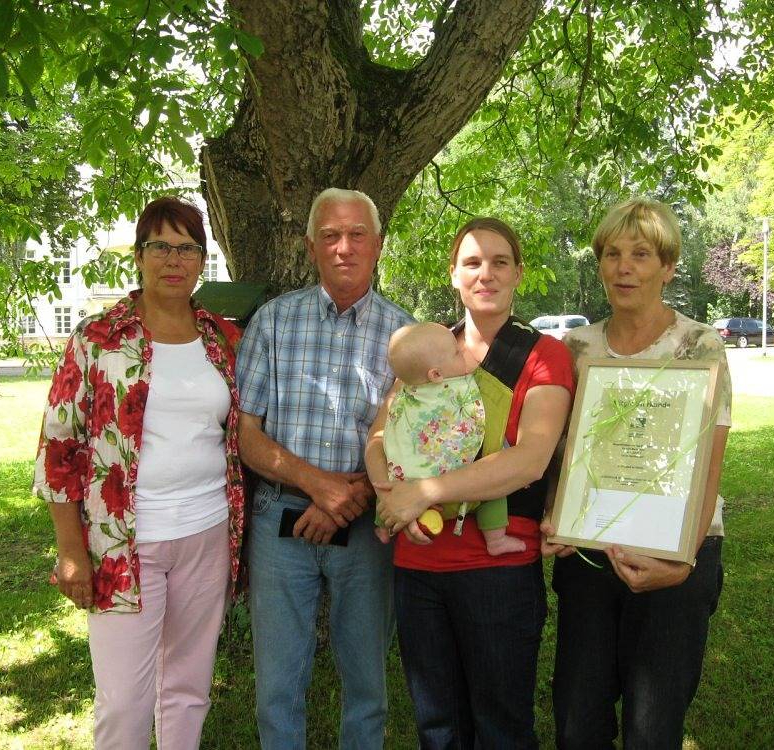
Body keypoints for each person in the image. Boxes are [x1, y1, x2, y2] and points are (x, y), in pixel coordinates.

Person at [33, 196, 245, 749]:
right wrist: (71, 550)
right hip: (122, 542)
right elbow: (59, 448)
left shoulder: (223, 340)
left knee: (188, 688)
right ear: (139, 255)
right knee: (124, 700)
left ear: (202, 260)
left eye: (187, 248)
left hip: (207, 533)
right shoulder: (97, 338)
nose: (174, 260)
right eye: (161, 247)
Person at [371, 217, 574, 748]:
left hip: (498, 573)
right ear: (454, 275)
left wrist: (429, 491)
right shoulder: (427, 349)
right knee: (438, 727)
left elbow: (530, 459)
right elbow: (380, 439)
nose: (486, 273)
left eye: (500, 261)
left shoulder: (542, 356)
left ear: (518, 274)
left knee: (500, 727)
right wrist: (392, 498)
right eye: (473, 262)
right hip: (418, 570)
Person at [541, 197, 732, 749]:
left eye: (641, 255)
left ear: (668, 267)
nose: (624, 267)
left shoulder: (700, 345)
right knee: (578, 717)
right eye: (613, 254)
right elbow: (560, 452)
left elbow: (709, 461)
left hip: (675, 553)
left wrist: (685, 560)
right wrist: (557, 511)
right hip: (589, 551)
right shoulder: (576, 347)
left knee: (653, 726)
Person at [236, 187, 414, 748]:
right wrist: (319, 488)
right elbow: (246, 437)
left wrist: (348, 500)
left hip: (367, 526)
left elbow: (412, 443)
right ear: (311, 246)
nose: (344, 247)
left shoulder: (405, 335)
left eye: (357, 234)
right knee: (278, 685)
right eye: (331, 236)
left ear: (378, 245)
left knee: (366, 683)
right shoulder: (272, 322)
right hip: (280, 521)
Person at [377, 321, 527, 556]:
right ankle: (496, 539)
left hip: (406, 489)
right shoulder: (462, 387)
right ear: (436, 374)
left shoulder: (405, 393)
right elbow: (489, 422)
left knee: (391, 479)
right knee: (493, 488)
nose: (463, 353)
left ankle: (383, 526)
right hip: (457, 486)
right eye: (457, 353)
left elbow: (389, 435)